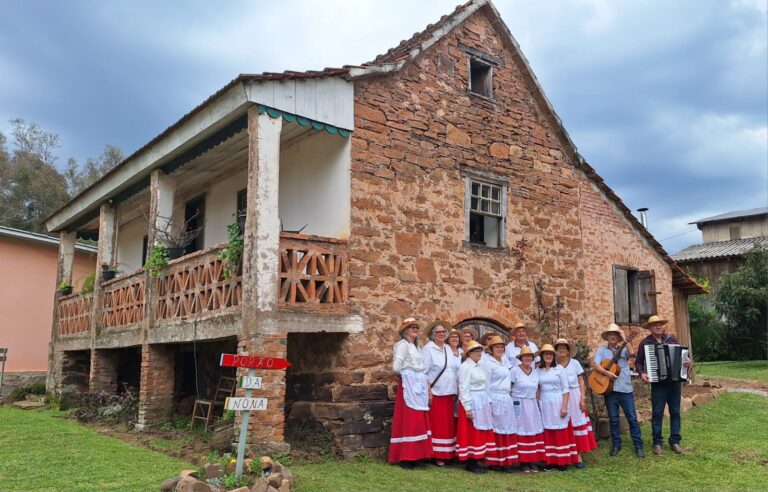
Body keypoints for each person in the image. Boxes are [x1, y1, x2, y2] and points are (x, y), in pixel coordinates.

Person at [635, 315, 692, 456]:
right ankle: (657, 442)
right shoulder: (645, 343)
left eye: (660, 324)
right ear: (649, 328)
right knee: (657, 413)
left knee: (675, 412)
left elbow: (684, 358)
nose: (658, 326)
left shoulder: (672, 340)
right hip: (658, 384)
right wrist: (642, 373)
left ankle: (675, 441)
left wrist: (687, 362)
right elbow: (638, 362)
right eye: (655, 325)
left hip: (674, 383)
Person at [593, 324, 644, 458]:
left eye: (615, 334)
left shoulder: (624, 348)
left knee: (632, 418)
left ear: (618, 336)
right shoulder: (601, 350)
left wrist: (625, 339)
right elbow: (596, 365)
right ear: (607, 337)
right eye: (610, 334)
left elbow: (632, 354)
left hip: (625, 388)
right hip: (609, 389)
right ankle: (616, 445)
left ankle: (638, 445)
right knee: (614, 419)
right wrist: (607, 373)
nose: (612, 336)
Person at [389, 318, 432, 467]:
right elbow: (396, 367)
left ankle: (418, 455)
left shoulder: (417, 347)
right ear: (405, 330)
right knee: (409, 419)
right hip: (409, 384)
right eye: (411, 327)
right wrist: (407, 375)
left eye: (416, 327)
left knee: (419, 419)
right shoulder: (402, 346)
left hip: (418, 385)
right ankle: (407, 456)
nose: (414, 329)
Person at [555, 338, 597, 468]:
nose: (561, 350)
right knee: (562, 425)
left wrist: (583, 398)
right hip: (559, 396)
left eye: (564, 348)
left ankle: (578, 456)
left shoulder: (575, 363)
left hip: (574, 395)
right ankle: (565, 454)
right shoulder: (553, 364)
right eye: (559, 348)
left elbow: (581, 382)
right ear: (555, 351)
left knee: (576, 424)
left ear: (568, 351)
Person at [422, 320, 458, 465]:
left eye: (443, 332)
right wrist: (428, 391)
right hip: (436, 393)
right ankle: (437, 455)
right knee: (438, 425)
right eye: (438, 332)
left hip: (449, 393)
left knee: (448, 425)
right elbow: (424, 373)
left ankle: (448, 453)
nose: (441, 334)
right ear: (433, 335)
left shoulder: (448, 348)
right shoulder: (428, 349)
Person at [456, 340, 495, 474]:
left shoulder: (479, 365)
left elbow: (486, 384)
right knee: (471, 432)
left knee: (480, 431)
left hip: (481, 400)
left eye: (480, 351)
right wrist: (467, 407)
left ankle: (478, 458)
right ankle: (471, 462)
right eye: (477, 351)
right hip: (471, 401)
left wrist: (487, 401)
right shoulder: (465, 367)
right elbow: (463, 387)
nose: (479, 353)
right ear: (469, 353)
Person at [482, 335, 518, 472]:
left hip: (506, 397)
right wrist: (489, 402)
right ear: (491, 349)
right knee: (497, 428)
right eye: (497, 347)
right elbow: (486, 384)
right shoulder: (488, 363)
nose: (500, 349)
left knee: (507, 427)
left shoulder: (505, 361)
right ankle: (496, 460)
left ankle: (507, 459)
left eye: (502, 347)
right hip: (495, 396)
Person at [510, 346, 545, 472]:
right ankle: (523, 461)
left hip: (532, 403)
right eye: (525, 356)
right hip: (518, 402)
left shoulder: (535, 372)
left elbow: (537, 389)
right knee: (521, 429)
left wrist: (537, 403)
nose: (528, 358)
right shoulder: (514, 371)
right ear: (521, 358)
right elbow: (509, 387)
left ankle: (533, 460)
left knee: (533, 429)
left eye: (530, 356)